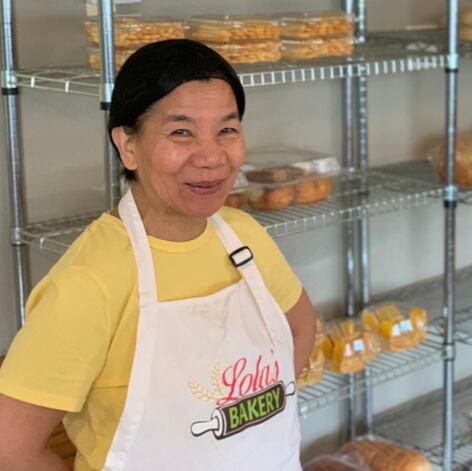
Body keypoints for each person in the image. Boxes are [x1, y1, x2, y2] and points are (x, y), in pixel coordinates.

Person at [0, 39, 317, 470]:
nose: (211, 157)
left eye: (227, 129)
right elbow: (11, 446)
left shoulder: (244, 236)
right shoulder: (90, 280)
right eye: (181, 132)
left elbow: (300, 326)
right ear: (128, 145)